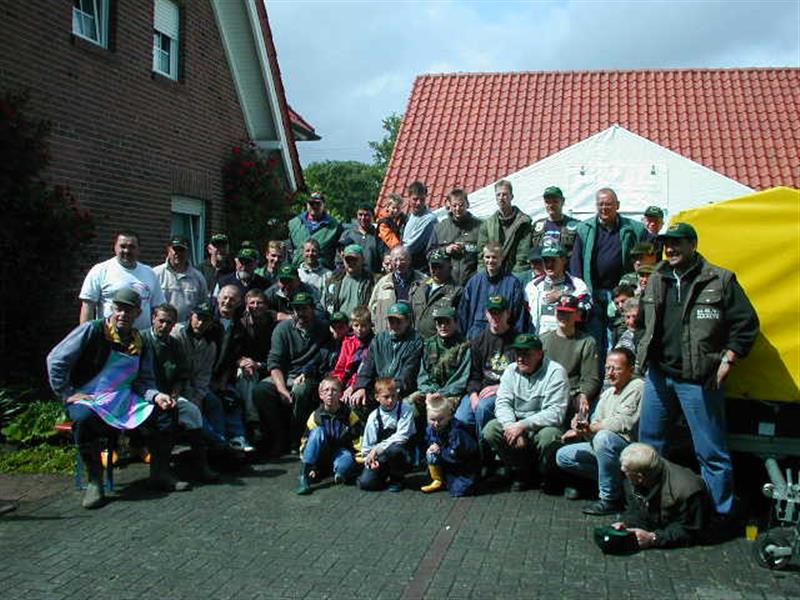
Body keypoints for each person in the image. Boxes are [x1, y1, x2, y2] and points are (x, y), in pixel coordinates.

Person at [637, 222, 759, 519]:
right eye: (667, 243)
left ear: (693, 244)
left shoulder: (719, 279)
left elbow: (746, 324)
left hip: (699, 380)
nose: (670, 249)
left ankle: (719, 516)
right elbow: (642, 323)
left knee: (711, 452)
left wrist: (728, 360)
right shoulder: (657, 278)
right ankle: (654, 509)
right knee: (649, 449)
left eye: (677, 242)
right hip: (658, 378)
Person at [47, 288, 180, 508]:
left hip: (124, 399)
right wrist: (67, 392)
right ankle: (95, 481)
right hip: (89, 397)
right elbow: (56, 359)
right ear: (112, 308)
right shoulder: (92, 330)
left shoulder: (139, 341)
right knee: (85, 420)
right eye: (119, 309)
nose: (122, 315)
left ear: (138, 313)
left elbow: (144, 381)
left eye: (129, 311)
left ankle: (160, 473)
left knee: (166, 412)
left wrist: (157, 396)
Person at [555, 348, 643, 513]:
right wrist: (580, 429)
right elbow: (595, 424)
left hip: (629, 446)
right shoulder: (608, 393)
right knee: (563, 456)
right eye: (608, 368)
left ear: (630, 370)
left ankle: (609, 499)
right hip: (606, 446)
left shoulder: (637, 387)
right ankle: (619, 482)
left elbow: (622, 423)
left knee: (604, 438)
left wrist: (590, 428)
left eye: (616, 369)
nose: (610, 373)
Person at [141, 304, 218, 483]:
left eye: (169, 323)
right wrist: (156, 396)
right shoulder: (141, 340)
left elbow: (181, 375)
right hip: (143, 395)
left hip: (168, 395)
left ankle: (200, 465)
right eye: (161, 321)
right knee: (165, 417)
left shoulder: (174, 344)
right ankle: (161, 472)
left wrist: (175, 394)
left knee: (192, 412)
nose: (164, 326)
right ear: (153, 318)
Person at [482, 333, 569, 491]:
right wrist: (511, 426)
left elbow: (556, 413)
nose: (520, 359)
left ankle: (547, 474)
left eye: (526, 354)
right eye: (518, 354)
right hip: (516, 423)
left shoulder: (555, 372)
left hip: (542, 426)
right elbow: (502, 403)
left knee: (550, 436)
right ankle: (520, 471)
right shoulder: (510, 370)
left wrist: (523, 425)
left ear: (540, 354)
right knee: (491, 429)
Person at [569, 188, 646, 361]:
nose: (604, 208)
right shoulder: (584, 229)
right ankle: (597, 374)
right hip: (593, 293)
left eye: (608, 204)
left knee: (617, 336)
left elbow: (648, 254)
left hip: (620, 294)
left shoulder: (634, 228)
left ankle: (615, 374)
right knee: (595, 338)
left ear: (618, 205)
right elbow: (576, 263)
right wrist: (580, 292)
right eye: (600, 204)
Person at [252, 292, 333, 455]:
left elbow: (325, 355)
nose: (300, 313)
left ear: (312, 309)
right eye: (297, 309)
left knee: (301, 391)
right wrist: (281, 389)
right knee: (261, 390)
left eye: (304, 309)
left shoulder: (323, 328)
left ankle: (296, 438)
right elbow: (274, 362)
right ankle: (277, 437)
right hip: (286, 374)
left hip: (309, 376)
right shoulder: (282, 329)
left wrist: (308, 373)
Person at [454, 295, 518, 470]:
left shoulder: (517, 340)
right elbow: (473, 375)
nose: (495, 317)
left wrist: (501, 387)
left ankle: (486, 459)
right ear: (486, 314)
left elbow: (522, 375)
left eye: (499, 313)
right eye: (492, 312)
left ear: (507, 313)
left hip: (506, 391)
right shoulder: (479, 340)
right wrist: (473, 395)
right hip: (481, 390)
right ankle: (465, 457)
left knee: (483, 408)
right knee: (462, 416)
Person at [610, 443, 712, 549]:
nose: (622, 471)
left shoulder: (688, 491)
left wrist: (654, 538)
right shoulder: (635, 476)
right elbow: (636, 510)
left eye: (626, 472)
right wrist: (626, 524)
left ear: (640, 477)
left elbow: (691, 530)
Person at [79, 230, 165, 331]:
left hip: (141, 337)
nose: (127, 251)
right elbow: (88, 307)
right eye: (122, 246)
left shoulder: (149, 273)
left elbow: (158, 308)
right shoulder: (100, 270)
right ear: (115, 247)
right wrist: (86, 335)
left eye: (132, 247)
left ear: (138, 250)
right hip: (108, 337)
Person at [350, 302, 423, 420]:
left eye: (399, 321)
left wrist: (388, 391)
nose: (394, 325)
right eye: (391, 321)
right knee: (357, 401)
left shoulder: (415, 341)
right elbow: (367, 366)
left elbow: (408, 374)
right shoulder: (379, 339)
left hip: (401, 391)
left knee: (410, 410)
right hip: (379, 389)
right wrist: (361, 387)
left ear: (408, 321)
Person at [206, 284, 254, 454]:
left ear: (239, 303)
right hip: (203, 377)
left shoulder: (239, 328)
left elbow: (234, 357)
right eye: (224, 298)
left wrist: (223, 381)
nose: (227, 302)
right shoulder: (208, 322)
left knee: (231, 397)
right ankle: (220, 440)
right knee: (214, 402)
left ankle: (238, 437)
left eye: (232, 299)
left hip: (223, 376)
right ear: (218, 298)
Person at [540, 295, 601, 424]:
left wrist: (584, 394)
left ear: (577, 314)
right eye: (560, 312)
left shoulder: (586, 342)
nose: (563, 317)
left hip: (571, 395)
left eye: (568, 313)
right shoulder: (543, 340)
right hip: (543, 393)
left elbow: (591, 378)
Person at [296, 377, 362, 495]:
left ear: (340, 394)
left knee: (346, 464)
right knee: (317, 432)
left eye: (334, 390)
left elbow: (358, 441)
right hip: (320, 454)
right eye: (326, 390)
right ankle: (305, 475)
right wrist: (311, 466)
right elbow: (305, 442)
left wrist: (360, 462)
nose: (330, 394)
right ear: (321, 395)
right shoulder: (315, 416)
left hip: (340, 451)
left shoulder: (349, 415)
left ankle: (335, 472)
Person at [458, 242, 529, 338]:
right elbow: (463, 313)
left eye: (494, 257)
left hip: (503, 336)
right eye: (487, 257)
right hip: (476, 336)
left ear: (501, 258)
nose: (490, 261)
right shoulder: (473, 282)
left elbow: (519, 316)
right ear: (483, 258)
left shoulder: (513, 283)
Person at [357, 377, 416, 492]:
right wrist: (370, 461)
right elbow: (367, 446)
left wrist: (377, 449)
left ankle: (397, 479)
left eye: (394, 396)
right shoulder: (373, 417)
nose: (390, 400)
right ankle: (381, 476)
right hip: (381, 457)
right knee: (366, 483)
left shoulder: (406, 410)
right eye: (386, 397)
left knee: (395, 450)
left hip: (403, 454)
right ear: (377, 397)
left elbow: (402, 436)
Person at [420, 395, 479, 497]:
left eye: (440, 419)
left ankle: (446, 480)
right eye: (432, 419)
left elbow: (457, 455)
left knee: (460, 491)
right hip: (446, 461)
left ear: (450, 416)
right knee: (431, 454)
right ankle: (438, 479)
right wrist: (432, 446)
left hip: (463, 466)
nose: (436, 423)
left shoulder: (457, 432)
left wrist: (441, 451)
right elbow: (429, 440)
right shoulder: (431, 428)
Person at [525, 246, 589, 336]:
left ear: (563, 260)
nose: (549, 265)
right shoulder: (532, 286)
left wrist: (563, 297)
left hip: (567, 339)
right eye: (546, 260)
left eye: (553, 260)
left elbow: (586, 311)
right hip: (539, 339)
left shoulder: (578, 285)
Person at [427, 188, 481, 286]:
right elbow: (429, 255)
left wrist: (468, 248)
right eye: (454, 205)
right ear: (449, 206)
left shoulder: (480, 227)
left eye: (461, 205)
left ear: (467, 204)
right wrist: (445, 250)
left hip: (473, 283)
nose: (457, 209)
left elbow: (485, 253)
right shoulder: (439, 228)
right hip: (447, 285)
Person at [477, 179, 531, 275]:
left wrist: (515, 276)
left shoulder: (523, 222)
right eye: (498, 195)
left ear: (511, 197)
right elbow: (481, 253)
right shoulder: (487, 224)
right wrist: (484, 274)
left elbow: (523, 253)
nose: (501, 198)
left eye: (505, 194)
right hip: (492, 273)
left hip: (516, 273)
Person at [369, 245, 426, 335]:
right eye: (395, 260)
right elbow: (372, 309)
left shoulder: (423, 281)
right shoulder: (382, 283)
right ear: (391, 261)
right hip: (387, 336)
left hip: (414, 336)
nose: (399, 263)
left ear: (409, 260)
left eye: (402, 259)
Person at [153, 235, 209, 323]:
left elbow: (203, 305)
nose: (178, 253)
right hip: (162, 326)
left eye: (182, 250)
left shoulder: (198, 277)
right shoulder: (156, 274)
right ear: (168, 250)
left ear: (188, 252)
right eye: (175, 250)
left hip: (187, 328)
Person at [410, 249, 462, 339]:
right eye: (433, 267)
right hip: (416, 341)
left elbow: (460, 323)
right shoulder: (419, 286)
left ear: (449, 266)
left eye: (440, 267)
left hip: (440, 343)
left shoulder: (456, 292)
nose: (436, 271)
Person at [287, 191, 342, 270]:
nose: (314, 206)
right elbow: (288, 249)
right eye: (311, 203)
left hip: (323, 272)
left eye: (318, 203)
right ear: (307, 204)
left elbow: (340, 251)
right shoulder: (294, 223)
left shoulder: (335, 226)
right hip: (297, 270)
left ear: (324, 205)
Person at [322, 244, 375, 318]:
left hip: (360, 323)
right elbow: (325, 305)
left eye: (354, 259)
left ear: (362, 259)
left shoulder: (371, 281)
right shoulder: (333, 281)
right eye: (348, 260)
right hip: (338, 322)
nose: (351, 262)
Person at [335, 306, 374, 395]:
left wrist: (353, 386)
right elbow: (340, 366)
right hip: (346, 380)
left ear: (370, 325)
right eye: (356, 325)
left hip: (362, 383)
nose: (359, 329)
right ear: (351, 325)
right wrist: (337, 384)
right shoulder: (348, 342)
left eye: (363, 325)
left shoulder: (374, 343)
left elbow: (366, 370)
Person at [530, 186, 580, 256]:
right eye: (547, 202)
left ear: (562, 201)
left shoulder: (576, 226)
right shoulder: (537, 226)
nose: (551, 205)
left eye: (555, 201)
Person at [338, 204, 387, 275]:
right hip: (352, 276)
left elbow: (384, 257)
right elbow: (339, 257)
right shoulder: (348, 234)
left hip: (372, 277)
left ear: (373, 217)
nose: (363, 218)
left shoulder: (379, 236)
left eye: (366, 215)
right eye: (360, 215)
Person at [401, 181, 438, 270]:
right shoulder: (409, 217)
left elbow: (410, 247)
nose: (418, 203)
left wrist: (395, 254)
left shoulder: (429, 219)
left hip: (420, 268)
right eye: (415, 199)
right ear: (408, 198)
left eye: (422, 199)